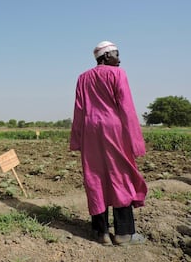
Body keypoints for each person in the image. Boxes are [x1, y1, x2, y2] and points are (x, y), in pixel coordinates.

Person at [70, 41, 147, 246]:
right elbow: (127, 108)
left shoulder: (82, 78)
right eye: (116, 55)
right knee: (120, 176)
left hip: (90, 132)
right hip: (114, 130)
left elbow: (79, 110)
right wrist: (136, 143)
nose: (119, 59)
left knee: (95, 177)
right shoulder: (118, 74)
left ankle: (101, 233)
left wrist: (77, 140)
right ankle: (123, 234)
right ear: (105, 57)